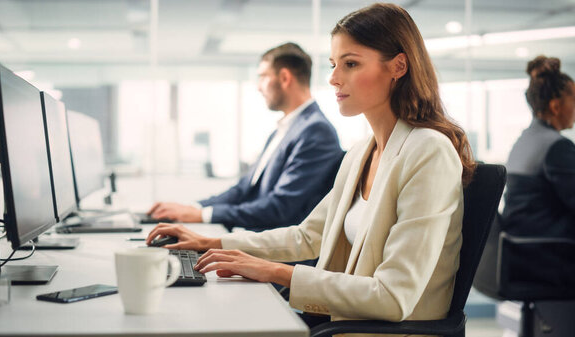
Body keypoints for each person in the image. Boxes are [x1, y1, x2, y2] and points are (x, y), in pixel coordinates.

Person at [147, 3, 475, 330]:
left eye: (350, 64)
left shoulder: (429, 152)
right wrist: (212, 244)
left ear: (398, 66)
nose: (333, 79)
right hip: (350, 321)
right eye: (334, 65)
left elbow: (393, 296)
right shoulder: (361, 152)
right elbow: (307, 236)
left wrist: (276, 272)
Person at [147, 43, 343, 232]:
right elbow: (243, 190)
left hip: (282, 256)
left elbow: (280, 207)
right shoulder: (283, 129)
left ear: (284, 78)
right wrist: (193, 208)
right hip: (259, 243)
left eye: (263, 77)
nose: (258, 87)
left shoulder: (315, 131)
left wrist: (204, 215)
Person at [502, 55, 575, 285]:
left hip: (519, 251)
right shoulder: (557, 146)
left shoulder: (524, 140)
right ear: (556, 106)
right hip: (545, 256)